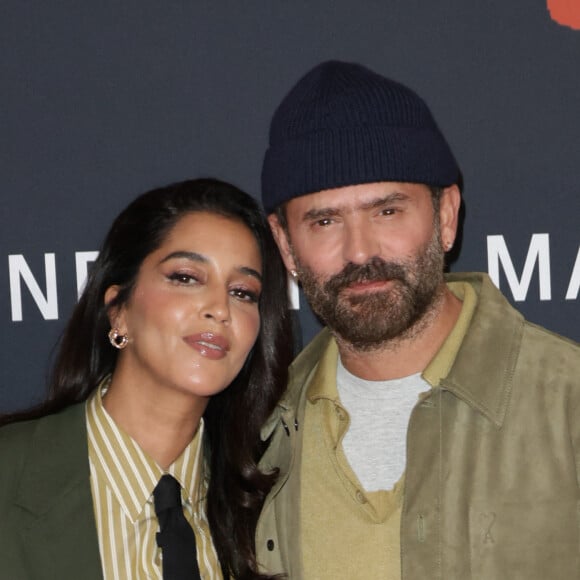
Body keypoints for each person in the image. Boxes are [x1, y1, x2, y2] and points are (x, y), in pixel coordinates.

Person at [255, 60, 580, 579]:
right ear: (285, 245)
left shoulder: (568, 405)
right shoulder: (257, 437)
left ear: (446, 216)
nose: (360, 251)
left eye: (387, 211)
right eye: (325, 221)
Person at [0, 178, 293, 580]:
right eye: (186, 277)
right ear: (118, 310)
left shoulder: (269, 504)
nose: (219, 308)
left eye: (242, 292)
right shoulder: (11, 477)